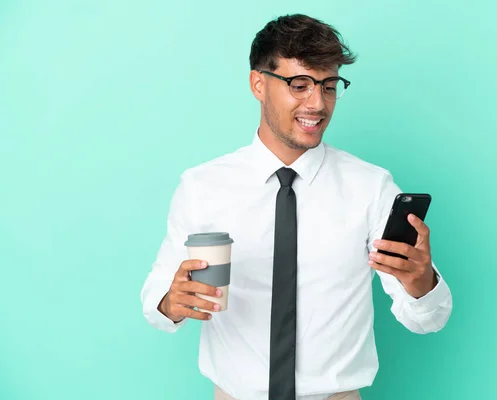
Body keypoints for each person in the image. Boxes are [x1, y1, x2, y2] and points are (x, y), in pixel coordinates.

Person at [140, 13, 452, 400]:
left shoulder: (371, 187)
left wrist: (421, 282)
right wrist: (172, 301)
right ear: (258, 83)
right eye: (299, 84)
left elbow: (429, 319)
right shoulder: (203, 186)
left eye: (329, 86)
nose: (317, 103)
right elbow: (157, 299)